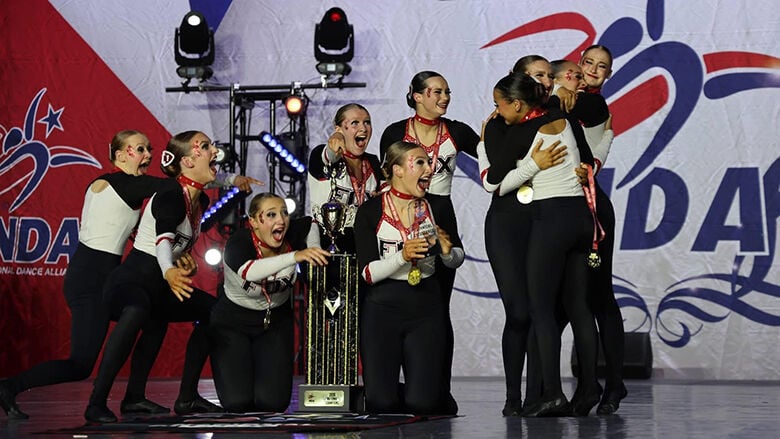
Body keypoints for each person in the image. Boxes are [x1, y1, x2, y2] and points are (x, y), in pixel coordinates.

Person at [0, 130, 258, 420]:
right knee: (84, 360)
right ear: (120, 155)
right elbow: (176, 183)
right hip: (90, 279)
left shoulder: (145, 191)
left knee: (153, 316)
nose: (147, 154)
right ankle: (16, 387)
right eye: (138, 149)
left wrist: (176, 258)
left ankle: (143, 397)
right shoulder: (117, 183)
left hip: (117, 274)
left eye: (149, 148)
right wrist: (230, 179)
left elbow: (179, 195)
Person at [84, 131, 227, 423]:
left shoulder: (198, 202)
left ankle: (183, 398)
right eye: (206, 146)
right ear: (187, 161)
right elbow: (162, 241)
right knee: (138, 310)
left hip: (158, 284)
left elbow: (171, 247)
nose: (214, 150)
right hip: (130, 281)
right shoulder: (171, 194)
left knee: (213, 311)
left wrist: (178, 264)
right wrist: (170, 269)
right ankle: (96, 403)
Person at [483, 72, 601, 417]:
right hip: (581, 217)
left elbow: (495, 182)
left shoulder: (522, 131)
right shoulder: (562, 117)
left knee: (541, 310)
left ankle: (551, 393)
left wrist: (531, 164)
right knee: (579, 306)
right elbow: (589, 160)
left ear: (517, 104)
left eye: (499, 105)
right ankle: (590, 385)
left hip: (551, 222)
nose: (497, 112)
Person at [379, 72, 479, 410]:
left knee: (437, 308)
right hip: (402, 211)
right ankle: (398, 386)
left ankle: (438, 388)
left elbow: (495, 160)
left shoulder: (457, 131)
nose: (445, 97)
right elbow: (385, 178)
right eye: (436, 91)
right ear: (417, 95)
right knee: (400, 298)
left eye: (447, 91)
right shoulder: (396, 132)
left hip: (440, 211)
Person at [477, 77, 568, 416]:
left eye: (549, 74)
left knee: (541, 310)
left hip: (543, 222)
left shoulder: (551, 122)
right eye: (538, 74)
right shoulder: (501, 126)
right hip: (507, 224)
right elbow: (492, 181)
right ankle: (513, 396)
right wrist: (531, 165)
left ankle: (541, 395)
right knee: (518, 312)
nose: (546, 81)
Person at [354, 141, 464, 415]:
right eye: (420, 162)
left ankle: (425, 390)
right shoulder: (371, 211)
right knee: (382, 404)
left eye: (429, 162)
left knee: (422, 405)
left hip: (425, 307)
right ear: (397, 170)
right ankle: (386, 389)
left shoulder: (437, 206)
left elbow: (456, 258)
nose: (430, 168)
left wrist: (447, 251)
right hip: (382, 308)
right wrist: (402, 256)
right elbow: (368, 273)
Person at [210, 193, 329, 412]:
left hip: (274, 323)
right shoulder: (239, 242)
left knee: (272, 404)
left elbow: (312, 222)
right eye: (271, 215)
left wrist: (313, 249)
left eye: (284, 213)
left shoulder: (291, 233)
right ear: (254, 222)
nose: (281, 220)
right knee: (237, 403)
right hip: (233, 324)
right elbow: (250, 272)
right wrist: (295, 256)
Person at [577, 45, 628, 415]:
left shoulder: (593, 106)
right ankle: (587, 385)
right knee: (575, 299)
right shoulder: (563, 99)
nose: (594, 70)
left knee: (599, 297)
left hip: (590, 207)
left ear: (608, 75)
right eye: (588, 63)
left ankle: (613, 383)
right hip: (559, 208)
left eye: (602, 67)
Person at [308, 103, 383, 254]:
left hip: (365, 245)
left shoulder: (373, 162)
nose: (363, 128)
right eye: (355, 123)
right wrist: (334, 142)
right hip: (326, 247)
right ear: (339, 129)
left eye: (367, 122)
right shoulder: (319, 154)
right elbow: (330, 155)